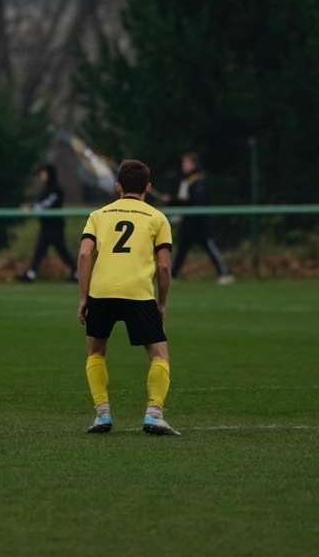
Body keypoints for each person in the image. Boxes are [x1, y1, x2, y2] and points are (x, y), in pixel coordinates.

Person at [77, 158, 180, 436]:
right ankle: (154, 414)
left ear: (118, 186)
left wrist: (84, 297)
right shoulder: (157, 218)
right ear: (148, 187)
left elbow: (85, 254)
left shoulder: (98, 215)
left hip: (102, 292)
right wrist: (161, 303)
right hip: (138, 293)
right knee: (159, 355)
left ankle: (102, 413)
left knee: (96, 352)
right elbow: (164, 266)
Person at [163, 152, 234, 284]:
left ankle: (225, 273)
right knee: (182, 250)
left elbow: (196, 202)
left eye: (186, 163)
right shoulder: (186, 180)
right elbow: (183, 200)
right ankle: (173, 275)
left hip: (200, 223)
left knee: (210, 247)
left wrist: (180, 210)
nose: (183, 166)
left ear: (193, 164)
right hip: (188, 224)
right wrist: (171, 200)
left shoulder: (199, 180)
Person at [16, 164, 78, 282]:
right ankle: (31, 274)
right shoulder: (46, 189)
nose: (41, 176)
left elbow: (47, 204)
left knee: (61, 250)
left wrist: (31, 208)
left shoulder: (56, 189)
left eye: (44, 173)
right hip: (46, 225)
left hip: (55, 226)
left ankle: (75, 272)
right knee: (40, 250)